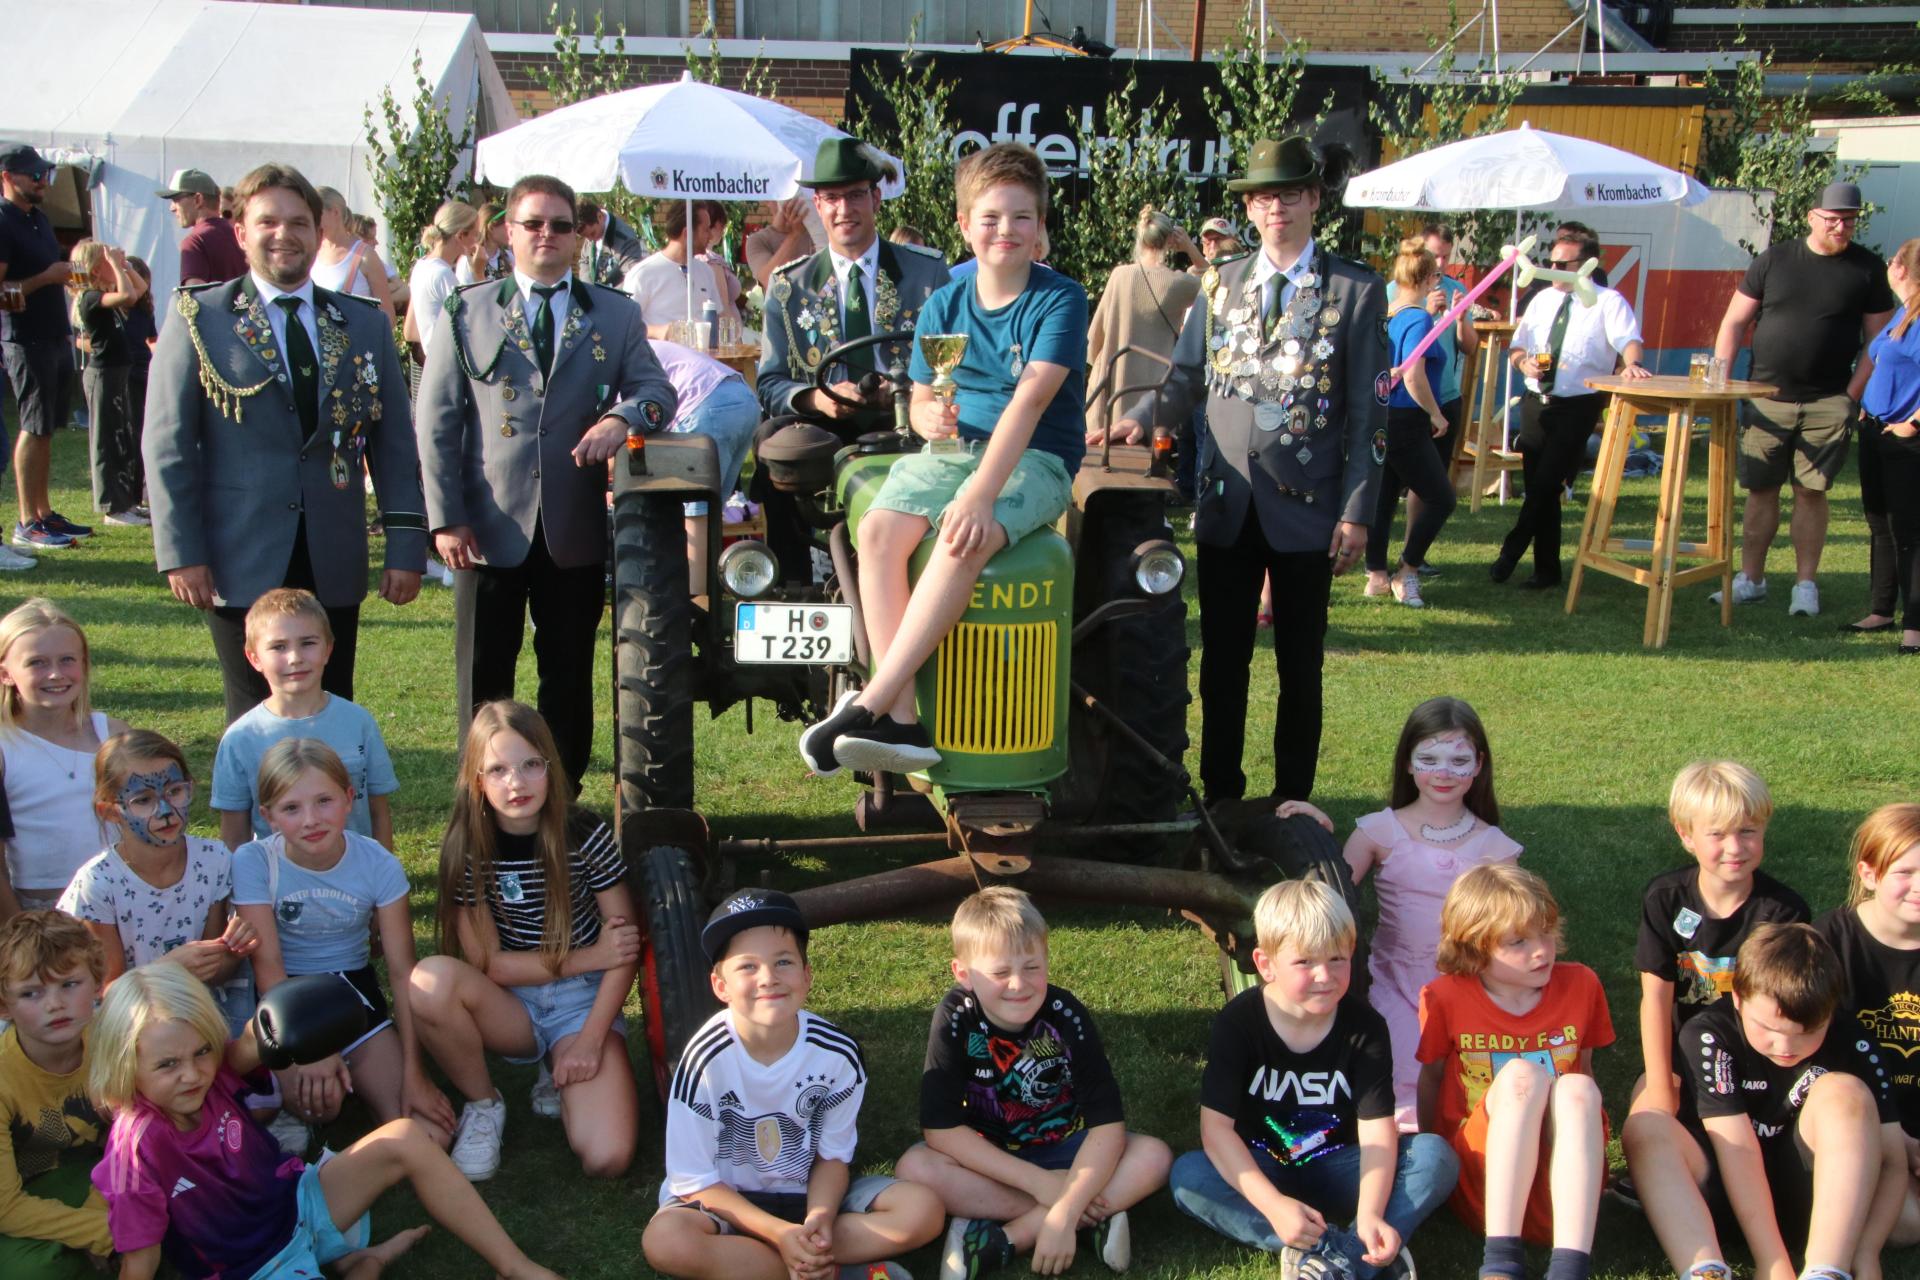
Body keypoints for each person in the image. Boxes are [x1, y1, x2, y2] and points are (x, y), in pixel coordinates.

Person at [1112, 135, 1386, 804]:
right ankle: (1222, 798)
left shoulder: (1355, 289)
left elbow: (1368, 416)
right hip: (1227, 507)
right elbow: (1184, 376)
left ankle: (1293, 800)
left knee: (1301, 668)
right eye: (1264, 197)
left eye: (1290, 194)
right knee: (1221, 668)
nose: (1276, 209)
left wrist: (1356, 512)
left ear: (1315, 199)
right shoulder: (1220, 281)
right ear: (1251, 208)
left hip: (1310, 511)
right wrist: (1146, 418)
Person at [796, 142, 1082, 777]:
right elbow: (924, 397)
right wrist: (930, 418)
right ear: (963, 225)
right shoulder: (946, 303)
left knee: (960, 533)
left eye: (1021, 218)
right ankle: (903, 720)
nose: (1005, 231)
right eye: (990, 217)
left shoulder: (1060, 299)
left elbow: (1031, 401)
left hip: (1031, 459)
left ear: (1040, 228)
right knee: (876, 529)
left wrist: (980, 494)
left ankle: (868, 701)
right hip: (953, 453)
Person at [416, 172, 677, 789]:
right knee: (484, 672)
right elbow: (437, 420)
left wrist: (623, 417)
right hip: (487, 526)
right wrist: (445, 517)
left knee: (568, 670)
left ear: (577, 238)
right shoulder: (468, 308)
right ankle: (483, 794)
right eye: (533, 223)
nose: (547, 235)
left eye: (561, 225)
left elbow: (656, 390)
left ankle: (562, 796)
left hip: (573, 526)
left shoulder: (613, 314)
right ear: (508, 230)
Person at [144, 162, 427, 725]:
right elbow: (168, 445)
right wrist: (182, 551)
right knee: (252, 715)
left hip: (333, 551)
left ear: (319, 233)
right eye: (267, 221)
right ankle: (255, 817)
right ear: (241, 232)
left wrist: (404, 547)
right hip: (239, 551)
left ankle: (330, 814)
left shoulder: (363, 323)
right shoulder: (200, 316)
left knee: (332, 705)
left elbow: (394, 442)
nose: (284, 234)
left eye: (299, 222)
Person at [87, 962, 563, 1280]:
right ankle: (360, 1264)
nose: (192, 1074)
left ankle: (515, 1266)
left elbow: (248, 1046)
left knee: (406, 1138)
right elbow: (142, 1258)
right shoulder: (137, 1152)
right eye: (167, 1065)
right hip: (253, 1267)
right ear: (126, 1065)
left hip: (299, 1205)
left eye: (201, 1051)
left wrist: (270, 1023)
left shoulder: (213, 1074)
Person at [642, 887, 944, 1280]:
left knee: (923, 1209)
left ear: (806, 976)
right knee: (665, 1240)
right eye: (747, 967)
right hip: (725, 1205)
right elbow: (694, 1181)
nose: (768, 978)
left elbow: (833, 1157)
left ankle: (792, 1260)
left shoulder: (838, 1054)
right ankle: (817, 1267)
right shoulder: (703, 1060)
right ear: (720, 986)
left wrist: (818, 1217)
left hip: (808, 1199)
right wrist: (779, 1233)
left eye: (782, 961)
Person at [1168, 879, 1457, 1280]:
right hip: (1263, 1162)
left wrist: (1371, 1213)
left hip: (1340, 1165)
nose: (1325, 975)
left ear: (1352, 953)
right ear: (1265, 964)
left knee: (1434, 1157)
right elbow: (1216, 1131)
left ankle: (1350, 1250)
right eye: (1305, 962)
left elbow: (1376, 1131)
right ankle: (1337, 1252)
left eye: (1337, 959)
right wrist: (1273, 1206)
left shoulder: (1365, 1027)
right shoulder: (1239, 1022)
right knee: (1188, 1177)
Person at [408, 701, 640, 1182]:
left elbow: (623, 950)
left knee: (607, 1156)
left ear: (552, 768)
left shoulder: (585, 832)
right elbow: (492, 966)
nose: (516, 783)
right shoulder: (468, 846)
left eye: (531, 765)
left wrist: (591, 1042)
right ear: (477, 780)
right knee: (430, 981)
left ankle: (558, 1062)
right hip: (510, 1006)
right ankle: (484, 1104)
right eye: (498, 770)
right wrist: (587, 956)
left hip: (582, 1005)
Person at [895, 885, 1171, 1280]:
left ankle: (1006, 1238)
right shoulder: (955, 1017)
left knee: (1154, 1157)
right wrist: (1042, 1186)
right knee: (915, 1167)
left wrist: (1062, 1212)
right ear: (964, 974)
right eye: (1000, 972)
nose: (1018, 984)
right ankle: (1095, 1219)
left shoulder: (1066, 1013)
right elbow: (940, 1129)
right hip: (989, 1159)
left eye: (1032, 967)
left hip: (1067, 1149)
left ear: (1047, 960)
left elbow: (1107, 1126)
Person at [1277, 696, 1520, 1130]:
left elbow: (1516, 926)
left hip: (1470, 985)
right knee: (1399, 1069)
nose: (1443, 773)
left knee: (1470, 1079)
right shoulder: (1380, 830)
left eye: (1458, 760)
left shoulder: (1495, 848)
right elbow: (1330, 893)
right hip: (1397, 986)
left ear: (1478, 765)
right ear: (1408, 763)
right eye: (1428, 758)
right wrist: (1320, 831)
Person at [1622, 924, 1912, 1280]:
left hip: (1815, 1199)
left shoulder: (1853, 1040)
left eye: (1808, 1033)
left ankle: (1827, 1270)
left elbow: (1892, 1162)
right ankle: (1705, 1269)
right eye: (1769, 1029)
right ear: (1738, 998)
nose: (1786, 1047)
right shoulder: (1708, 1033)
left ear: (1831, 1011)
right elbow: (1738, 1149)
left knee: (1847, 1095)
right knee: (1646, 1126)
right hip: (1722, 1194)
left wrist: (1866, 1252)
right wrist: (1773, 1264)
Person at [231, 739, 453, 1155]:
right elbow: (269, 964)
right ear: (268, 816)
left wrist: (414, 1073)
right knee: (324, 1107)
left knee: (431, 1138)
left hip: (353, 996)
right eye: (291, 808)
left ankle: (357, 1085)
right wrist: (307, 1050)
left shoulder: (377, 863)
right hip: (285, 1001)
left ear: (349, 798)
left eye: (324, 801)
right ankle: (296, 1097)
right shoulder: (255, 861)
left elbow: (404, 972)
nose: (311, 820)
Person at [753, 137, 948, 585]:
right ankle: (793, 590)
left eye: (856, 195)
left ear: (876, 198)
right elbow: (770, 382)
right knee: (772, 440)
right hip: (824, 426)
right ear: (817, 206)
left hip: (907, 417)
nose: (845, 209)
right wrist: (818, 402)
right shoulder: (787, 286)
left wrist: (907, 390)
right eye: (832, 198)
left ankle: (932, 578)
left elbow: (948, 364)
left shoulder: (927, 272)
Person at [1415, 865, 1612, 1280]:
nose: (1541, 950)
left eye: (1545, 933)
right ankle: (1501, 1263)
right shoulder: (1444, 997)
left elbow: (1587, 1072)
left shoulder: (1582, 985)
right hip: (1485, 1186)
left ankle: (1571, 1266)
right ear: (1474, 948)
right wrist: (1433, 1167)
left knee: (1576, 1087)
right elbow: (1431, 1078)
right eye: (1518, 942)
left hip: (1566, 1187)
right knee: (1521, 1077)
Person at [1713, 180, 1897, 618]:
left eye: (1849, 219)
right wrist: (1721, 379)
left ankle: (1805, 585)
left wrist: (1852, 396)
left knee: (1811, 493)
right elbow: (1734, 322)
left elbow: (1880, 342)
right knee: (1760, 489)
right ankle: (1751, 580)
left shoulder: (1868, 269)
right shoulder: (1774, 260)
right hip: (1765, 396)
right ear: (1811, 217)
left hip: (1829, 401)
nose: (1840, 226)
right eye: (1832, 218)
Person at [1629, 761, 1809, 1124]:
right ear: (1686, 835)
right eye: (1717, 834)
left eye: (1747, 831)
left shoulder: (1784, 912)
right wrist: (1663, 1086)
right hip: (1683, 1058)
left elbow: (1789, 1009)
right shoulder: (1666, 899)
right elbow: (1656, 999)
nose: (1735, 847)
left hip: (1754, 1060)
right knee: (1647, 1121)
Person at [58, 730, 258, 1035]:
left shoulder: (214, 860)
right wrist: (167, 970)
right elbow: (106, 992)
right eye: (143, 800)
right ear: (111, 811)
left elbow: (216, 971)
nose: (165, 811)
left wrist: (233, 951)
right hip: (130, 1025)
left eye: (175, 791)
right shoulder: (98, 884)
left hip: (198, 1014)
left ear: (191, 788)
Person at [1493, 228, 1652, 590]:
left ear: (1587, 265)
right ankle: (1546, 570)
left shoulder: (1606, 301)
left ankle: (1511, 549)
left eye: (1563, 264)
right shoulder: (1541, 299)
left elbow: (1628, 340)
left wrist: (1631, 363)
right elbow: (1517, 347)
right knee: (1539, 487)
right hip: (1537, 401)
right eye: (1550, 263)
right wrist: (1523, 365)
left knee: (1548, 482)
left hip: (1578, 405)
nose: (1554, 269)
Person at [210, 588, 399, 849]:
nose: (295, 658)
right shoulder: (241, 738)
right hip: (276, 881)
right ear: (254, 658)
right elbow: (234, 833)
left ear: (328, 650)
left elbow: (379, 811)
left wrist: (382, 873)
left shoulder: (357, 722)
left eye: (308, 643)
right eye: (278, 647)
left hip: (355, 880)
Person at [1818, 802, 1920, 1229]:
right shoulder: (1827, 943)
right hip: (1863, 1120)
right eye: (1905, 873)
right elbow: (1813, 1058)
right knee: (1905, 1225)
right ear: (1868, 874)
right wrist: (1893, 1136)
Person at [0, 910, 111, 1280]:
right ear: (4, 1006)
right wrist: (103, 1233)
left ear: (97, 982)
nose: (54, 1004)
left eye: (69, 984)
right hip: (25, 1195)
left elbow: (128, 1138)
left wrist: (100, 1212)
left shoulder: (110, 1041)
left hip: (100, 1176)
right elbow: (5, 1207)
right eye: (31, 993)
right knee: (28, 1270)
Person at [0, 599, 125, 917]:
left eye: (67, 660)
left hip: (119, 893)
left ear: (84, 664)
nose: (55, 674)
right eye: (37, 663)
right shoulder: (5, 747)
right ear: (6, 674)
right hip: (40, 906)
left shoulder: (111, 734)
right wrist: (17, 924)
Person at [0, 144, 87, 557]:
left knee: (47, 428)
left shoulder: (38, 219)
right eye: (33, 175)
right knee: (33, 427)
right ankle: (26, 521)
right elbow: (3, 293)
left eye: (45, 174)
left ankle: (43, 511)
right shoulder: (2, 221)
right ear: (7, 177)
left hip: (52, 335)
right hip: (24, 337)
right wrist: (45, 278)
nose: (42, 182)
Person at [1366, 238, 1457, 607]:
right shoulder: (1418, 318)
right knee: (1441, 498)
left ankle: (1376, 575)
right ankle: (1408, 570)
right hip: (1405, 419)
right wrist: (1436, 413)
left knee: (1383, 498)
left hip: (1383, 416)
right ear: (1430, 279)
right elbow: (1414, 374)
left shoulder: (1388, 313)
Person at [1083, 204, 1201, 442]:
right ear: (1170, 240)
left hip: (1110, 383)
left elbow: (1095, 335)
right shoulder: (1179, 284)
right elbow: (1215, 281)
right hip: (1152, 394)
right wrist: (1189, 248)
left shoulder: (1120, 275)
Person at [1854, 237, 1920, 652]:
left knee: (1911, 531)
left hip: (1905, 439)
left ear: (1900, 268)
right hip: (1874, 429)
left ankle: (1915, 627)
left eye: (1893, 260)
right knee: (1879, 522)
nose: (1888, 266)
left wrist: (1913, 423)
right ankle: (1881, 609)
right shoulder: (1902, 314)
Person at [1402, 222, 1477, 576]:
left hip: (1445, 395)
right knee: (1412, 486)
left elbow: (1470, 346)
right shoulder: (1399, 294)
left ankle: (1411, 553)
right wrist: (1428, 313)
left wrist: (1461, 319)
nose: (1442, 265)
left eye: (1446, 257)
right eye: (1435, 258)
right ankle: (1386, 567)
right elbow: (1406, 357)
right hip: (1410, 404)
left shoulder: (1457, 289)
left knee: (1431, 480)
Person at [650, 336, 761, 572]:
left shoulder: (613, 360)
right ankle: (713, 587)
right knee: (711, 507)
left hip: (705, 403)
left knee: (695, 511)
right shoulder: (639, 346)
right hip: (743, 397)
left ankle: (697, 599)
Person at [65, 239, 148, 527]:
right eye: (109, 262)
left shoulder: (100, 294)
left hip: (117, 373)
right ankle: (111, 507)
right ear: (97, 268)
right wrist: (115, 264)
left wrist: (123, 265)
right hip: (102, 374)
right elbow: (128, 296)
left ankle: (127, 502)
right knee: (106, 440)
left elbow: (139, 291)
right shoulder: (88, 296)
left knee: (122, 437)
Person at [625, 201, 723, 335]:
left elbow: (718, 319)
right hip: (660, 355)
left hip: (702, 355)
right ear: (687, 233)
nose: (711, 236)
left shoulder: (706, 271)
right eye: (706, 230)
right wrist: (659, 332)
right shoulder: (644, 274)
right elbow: (625, 326)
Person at [405, 200, 481, 361]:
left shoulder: (422, 265)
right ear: (461, 235)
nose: (477, 241)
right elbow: (474, 322)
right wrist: (478, 272)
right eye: (475, 234)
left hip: (436, 358)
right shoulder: (442, 274)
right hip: (447, 360)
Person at [309, 187, 394, 324]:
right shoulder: (311, 251)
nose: (310, 220)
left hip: (354, 342)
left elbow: (388, 317)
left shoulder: (365, 256)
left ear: (335, 212)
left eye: (315, 213)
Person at [157, 167, 245, 287]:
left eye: (176, 199)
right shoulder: (241, 236)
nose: (172, 208)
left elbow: (195, 298)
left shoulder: (195, 241)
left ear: (198, 199)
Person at [120, 257, 157, 482]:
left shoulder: (145, 309)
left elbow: (152, 338)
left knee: (147, 428)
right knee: (132, 430)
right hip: (125, 371)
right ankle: (133, 483)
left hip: (146, 370)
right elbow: (81, 340)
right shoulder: (116, 307)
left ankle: (144, 482)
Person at [745, 194, 817, 290]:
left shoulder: (815, 234)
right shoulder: (758, 240)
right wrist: (795, 234)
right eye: (781, 196)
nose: (789, 202)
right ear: (767, 201)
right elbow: (768, 279)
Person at [577, 199, 646, 288]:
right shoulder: (590, 230)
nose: (590, 240)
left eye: (592, 233)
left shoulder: (626, 239)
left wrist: (606, 296)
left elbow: (632, 277)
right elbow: (585, 260)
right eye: (586, 237)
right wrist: (588, 288)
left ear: (600, 217)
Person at [456, 201, 513, 286]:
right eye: (506, 226)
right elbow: (466, 296)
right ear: (491, 227)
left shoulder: (508, 257)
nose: (511, 230)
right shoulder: (468, 262)